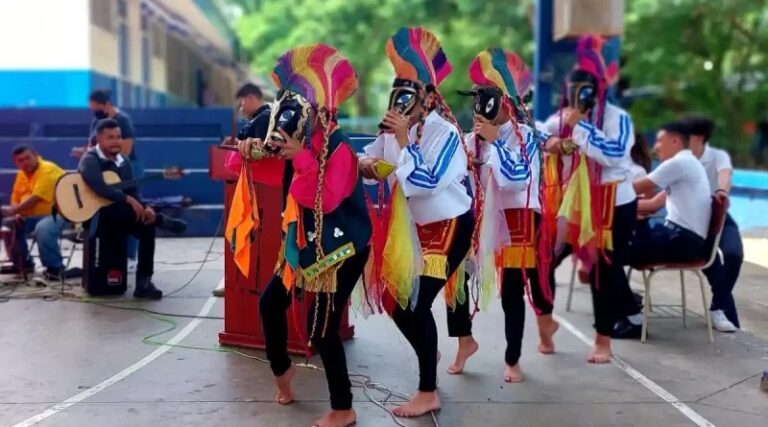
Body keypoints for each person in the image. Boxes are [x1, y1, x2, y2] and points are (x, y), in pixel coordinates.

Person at [237, 45, 371, 427]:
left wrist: (299, 157)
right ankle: (283, 372)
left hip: (342, 248)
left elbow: (323, 201)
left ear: (323, 111)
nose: (299, 113)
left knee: (322, 325)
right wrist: (249, 148)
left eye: (307, 106)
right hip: (303, 242)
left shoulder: (340, 148)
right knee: (269, 303)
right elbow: (240, 159)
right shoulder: (297, 135)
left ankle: (343, 408)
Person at [359, 27, 474, 418]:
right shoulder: (393, 128)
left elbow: (425, 183)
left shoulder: (445, 135)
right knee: (398, 302)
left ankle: (428, 390)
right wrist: (367, 163)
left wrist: (405, 139)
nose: (401, 101)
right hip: (411, 229)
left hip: (449, 225)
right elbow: (371, 156)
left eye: (409, 94)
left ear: (428, 98)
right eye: (397, 93)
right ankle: (429, 348)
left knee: (413, 303)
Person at [444, 49, 557, 383]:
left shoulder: (527, 137)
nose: (479, 111)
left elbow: (520, 177)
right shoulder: (475, 136)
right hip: (480, 215)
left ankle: (513, 358)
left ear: (505, 104)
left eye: (486, 101)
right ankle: (465, 340)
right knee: (456, 278)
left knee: (512, 290)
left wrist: (493, 146)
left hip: (518, 218)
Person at [543, 35, 640, 360]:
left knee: (604, 271)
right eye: (571, 89)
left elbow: (614, 155)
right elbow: (542, 132)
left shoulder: (617, 119)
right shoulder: (565, 116)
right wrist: (552, 143)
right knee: (545, 260)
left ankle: (603, 340)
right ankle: (546, 326)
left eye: (582, 90)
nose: (575, 96)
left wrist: (582, 129)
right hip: (574, 203)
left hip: (613, 203)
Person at [79, 119, 186, 299]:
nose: (116, 141)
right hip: (96, 216)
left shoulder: (125, 162)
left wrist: (145, 208)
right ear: (99, 139)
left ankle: (144, 282)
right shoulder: (90, 159)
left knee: (146, 226)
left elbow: (133, 193)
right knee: (122, 209)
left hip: (121, 215)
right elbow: (100, 187)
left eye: (118, 137)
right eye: (110, 137)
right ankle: (162, 220)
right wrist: (127, 198)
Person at [683, 116, 742, 332]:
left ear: (698, 138)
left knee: (734, 254)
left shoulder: (718, 156)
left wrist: (721, 192)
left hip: (718, 216)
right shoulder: (680, 159)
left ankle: (717, 308)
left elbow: (725, 176)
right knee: (713, 267)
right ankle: (726, 318)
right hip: (693, 222)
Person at [213, 83, 271, 297]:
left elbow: (258, 152)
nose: (240, 108)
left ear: (249, 98)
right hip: (244, 184)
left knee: (247, 232)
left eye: (241, 103)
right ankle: (233, 276)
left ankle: (241, 278)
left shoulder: (264, 119)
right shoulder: (256, 120)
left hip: (258, 188)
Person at [631, 120, 712, 267]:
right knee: (615, 245)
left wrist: (601, 199)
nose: (655, 147)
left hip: (682, 243)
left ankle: (621, 291)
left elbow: (632, 190)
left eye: (659, 141)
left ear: (675, 141)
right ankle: (620, 290)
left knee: (612, 250)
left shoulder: (678, 163)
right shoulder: (688, 162)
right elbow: (653, 204)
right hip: (683, 240)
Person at [1, 145, 66, 278]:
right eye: (20, 160)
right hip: (32, 216)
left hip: (59, 214)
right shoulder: (21, 174)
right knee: (9, 223)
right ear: (16, 163)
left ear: (35, 156)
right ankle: (22, 263)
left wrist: (14, 210)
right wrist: (16, 214)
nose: (25, 162)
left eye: (27, 158)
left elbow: (36, 198)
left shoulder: (48, 169)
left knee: (43, 228)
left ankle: (55, 267)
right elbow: (15, 198)